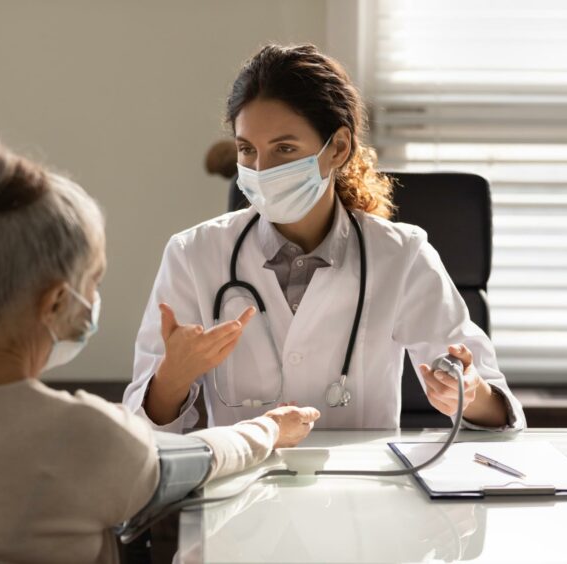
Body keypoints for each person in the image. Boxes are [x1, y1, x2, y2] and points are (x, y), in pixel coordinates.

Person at [0, 111, 320, 564]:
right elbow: (197, 460)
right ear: (56, 303)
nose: (94, 299)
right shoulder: (80, 434)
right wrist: (271, 428)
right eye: (92, 283)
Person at [124, 44, 526, 432]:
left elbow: (499, 412)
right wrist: (171, 380)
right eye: (247, 150)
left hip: (363, 491)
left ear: (337, 148)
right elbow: (143, 432)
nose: (261, 169)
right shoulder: (194, 254)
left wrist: (468, 393)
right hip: (243, 488)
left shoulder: (401, 254)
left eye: (284, 148)